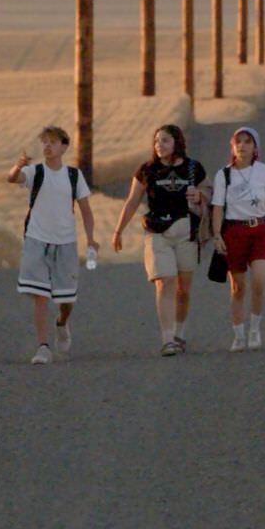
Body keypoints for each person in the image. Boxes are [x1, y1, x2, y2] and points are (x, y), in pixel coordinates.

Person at [111, 124, 209, 356]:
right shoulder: (147, 170)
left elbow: (210, 194)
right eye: (156, 141)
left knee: (183, 289)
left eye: (165, 140)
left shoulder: (193, 168)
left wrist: (201, 195)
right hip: (157, 233)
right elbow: (133, 201)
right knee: (165, 282)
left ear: (177, 142)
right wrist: (118, 230)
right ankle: (167, 339)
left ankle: (179, 333)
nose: (159, 145)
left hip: (186, 232)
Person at [5, 125, 96, 365]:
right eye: (44, 142)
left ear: (64, 146)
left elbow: (86, 210)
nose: (47, 146)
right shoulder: (35, 172)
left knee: (67, 299)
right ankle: (42, 346)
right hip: (36, 239)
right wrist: (18, 165)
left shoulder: (74, 176)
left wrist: (91, 237)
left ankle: (62, 322)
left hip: (65, 241)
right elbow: (13, 178)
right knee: (40, 295)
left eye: (53, 142)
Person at [209, 126, 265, 352]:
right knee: (238, 287)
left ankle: (255, 329)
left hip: (260, 230)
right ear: (232, 146)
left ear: (255, 147)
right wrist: (217, 235)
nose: (242, 146)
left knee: (259, 281)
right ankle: (239, 334)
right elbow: (218, 207)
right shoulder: (224, 174)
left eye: (247, 142)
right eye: (238, 141)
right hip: (235, 232)